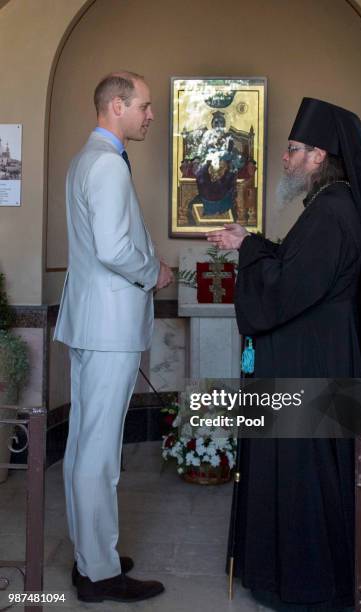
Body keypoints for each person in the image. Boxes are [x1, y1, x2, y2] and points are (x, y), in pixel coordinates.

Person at [207, 98, 361, 611]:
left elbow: (287, 289)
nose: (285, 159)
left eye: (293, 150)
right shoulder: (330, 208)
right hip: (316, 361)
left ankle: (305, 583)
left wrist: (248, 253)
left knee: (305, 477)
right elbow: (297, 271)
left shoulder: (332, 213)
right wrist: (251, 242)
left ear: (319, 156)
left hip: (310, 370)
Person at [54, 71, 173, 603]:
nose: (151, 115)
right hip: (108, 327)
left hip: (89, 322)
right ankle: (100, 574)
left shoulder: (86, 159)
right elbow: (112, 248)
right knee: (98, 453)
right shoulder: (107, 166)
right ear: (118, 106)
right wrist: (155, 272)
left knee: (84, 445)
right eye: (145, 106)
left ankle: (91, 555)